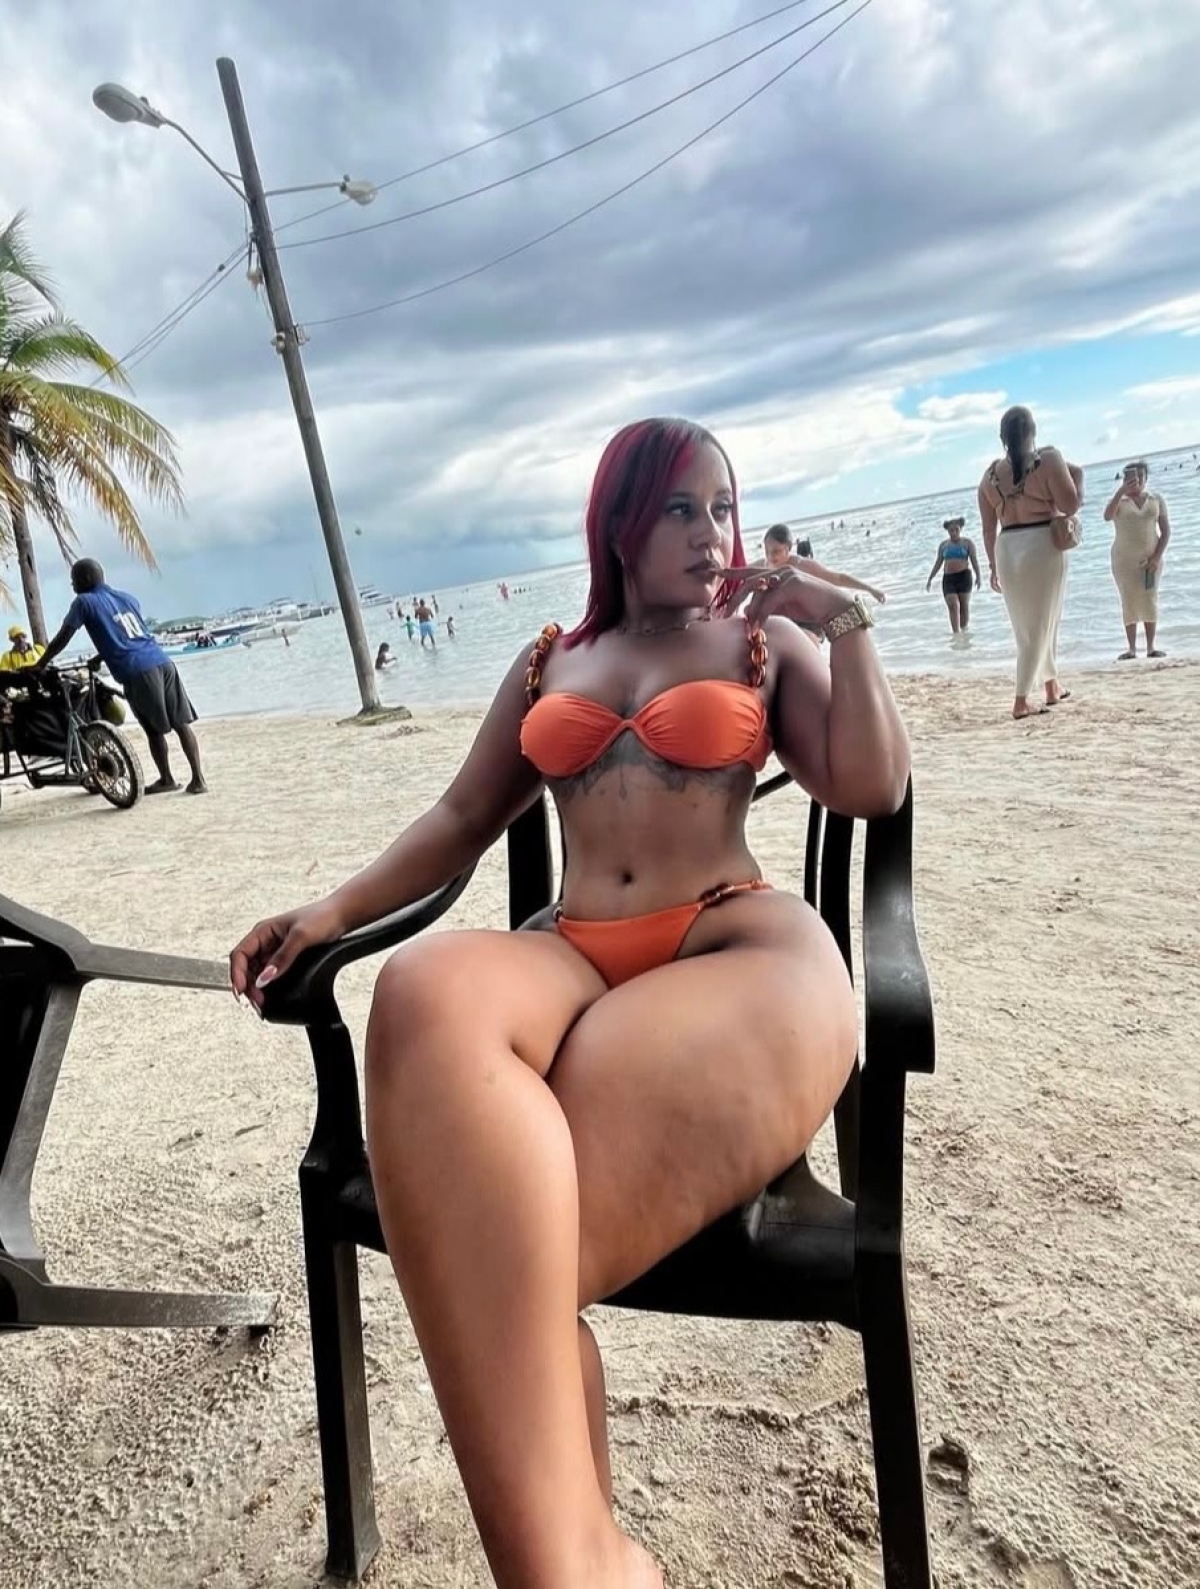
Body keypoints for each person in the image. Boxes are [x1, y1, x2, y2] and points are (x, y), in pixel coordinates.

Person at [231, 416, 908, 1589]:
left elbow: (869, 782)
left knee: (503, 1277)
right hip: (576, 943)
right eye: (682, 507)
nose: (710, 533)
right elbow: (460, 818)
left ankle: (572, 1569)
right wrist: (332, 909)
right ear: (620, 521)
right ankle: (588, 1558)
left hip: (730, 940)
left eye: (724, 508)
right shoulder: (552, 658)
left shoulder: (762, 644)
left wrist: (841, 623)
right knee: (419, 985)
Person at [34, 558, 207, 793]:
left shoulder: (83, 602)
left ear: (86, 579)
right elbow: (129, 636)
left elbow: (64, 636)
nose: (72, 585)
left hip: (137, 671)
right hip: (162, 661)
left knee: (153, 730)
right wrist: (100, 657)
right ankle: (198, 780)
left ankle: (167, 779)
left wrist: (40, 664)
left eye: (74, 580)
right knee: (181, 724)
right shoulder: (127, 598)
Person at [977, 407, 1083, 719]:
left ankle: (1051, 685)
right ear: (1033, 431)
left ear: (1002, 437)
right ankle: (1021, 700)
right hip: (1041, 544)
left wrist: (992, 566)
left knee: (1027, 624)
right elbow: (1070, 504)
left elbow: (988, 529)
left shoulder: (989, 475)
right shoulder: (1048, 459)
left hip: (1007, 547)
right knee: (1043, 623)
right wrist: (1079, 478)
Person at [1104, 461, 1171, 659]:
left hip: (1151, 557)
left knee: (1150, 598)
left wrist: (1156, 557)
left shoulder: (1156, 499)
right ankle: (1132, 649)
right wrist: (1120, 492)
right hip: (1124, 560)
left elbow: (1166, 532)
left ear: (1146, 478)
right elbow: (1107, 516)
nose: (1137, 480)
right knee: (1129, 600)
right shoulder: (1119, 501)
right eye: (1132, 477)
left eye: (1141, 476)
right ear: (1125, 479)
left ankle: (1151, 647)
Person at [761, 525, 886, 604]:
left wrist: (871, 589)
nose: (770, 556)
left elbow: (839, 579)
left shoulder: (803, 565)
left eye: (776, 551)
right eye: (767, 551)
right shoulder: (763, 566)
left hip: (806, 623)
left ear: (788, 548)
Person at [924, 517, 982, 633]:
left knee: (964, 606)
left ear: (960, 529)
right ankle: (956, 633)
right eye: (951, 530)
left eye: (956, 530)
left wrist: (978, 576)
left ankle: (964, 632)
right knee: (953, 605)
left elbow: (974, 560)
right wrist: (930, 578)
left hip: (964, 577)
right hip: (949, 578)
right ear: (948, 531)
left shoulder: (967, 543)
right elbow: (938, 562)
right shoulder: (943, 545)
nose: (954, 533)